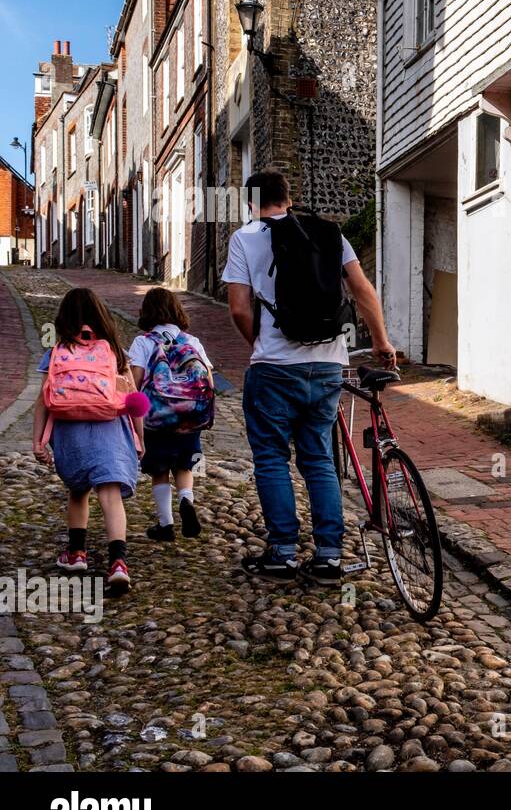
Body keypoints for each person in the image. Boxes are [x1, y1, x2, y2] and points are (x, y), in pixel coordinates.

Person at [222, 170, 396, 585]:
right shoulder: (329, 233)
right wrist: (381, 343)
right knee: (318, 459)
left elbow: (238, 309)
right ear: (289, 198)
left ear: (251, 203)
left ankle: (282, 553)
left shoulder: (244, 239)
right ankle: (329, 558)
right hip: (328, 365)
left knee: (271, 459)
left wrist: (259, 345)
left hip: (274, 368)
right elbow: (362, 290)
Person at [33, 287, 146, 590]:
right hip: (110, 428)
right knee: (110, 495)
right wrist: (139, 438)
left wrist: (38, 442)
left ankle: (76, 553)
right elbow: (132, 398)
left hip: (71, 430)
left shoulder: (56, 351)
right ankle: (118, 562)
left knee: (78, 490)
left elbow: (43, 399)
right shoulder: (114, 352)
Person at [129, 287, 214, 542]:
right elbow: (208, 378)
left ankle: (165, 524)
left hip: (157, 418)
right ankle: (186, 500)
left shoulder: (143, 342)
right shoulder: (192, 342)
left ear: (147, 313)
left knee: (159, 469)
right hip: (189, 416)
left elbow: (134, 380)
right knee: (184, 464)